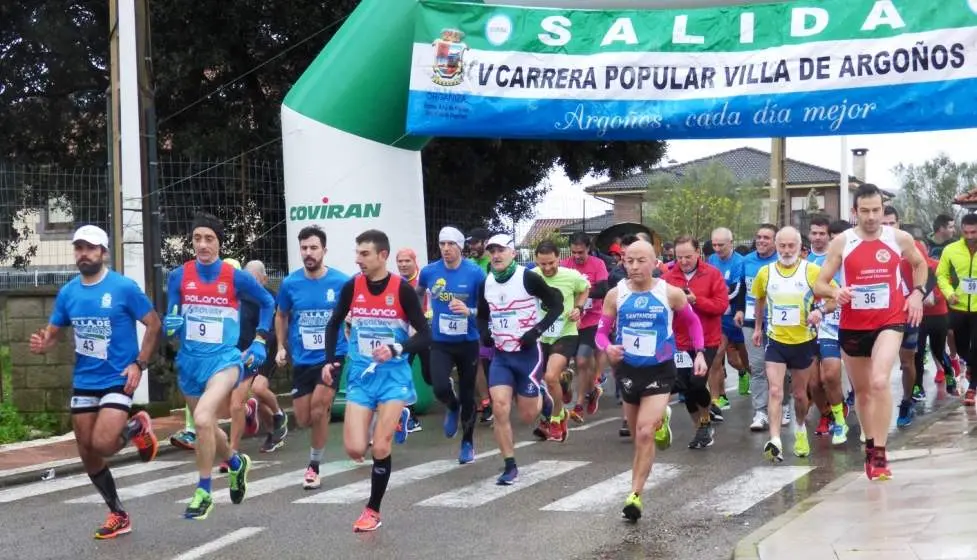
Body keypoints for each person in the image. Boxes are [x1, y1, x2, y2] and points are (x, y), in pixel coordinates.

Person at [30, 225, 160, 539]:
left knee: (103, 443)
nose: (83, 254)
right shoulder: (69, 292)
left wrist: (139, 364)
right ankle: (118, 513)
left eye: (90, 248)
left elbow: (153, 323)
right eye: (79, 248)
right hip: (85, 380)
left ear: (103, 252)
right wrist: (45, 342)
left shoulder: (123, 287)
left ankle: (136, 428)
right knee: (87, 451)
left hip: (117, 378)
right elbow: (54, 329)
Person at [164, 212, 276, 519]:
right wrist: (169, 325)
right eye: (197, 238)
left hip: (224, 361)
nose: (202, 244)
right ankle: (236, 464)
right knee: (209, 428)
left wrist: (260, 340)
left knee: (201, 418)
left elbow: (268, 302)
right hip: (189, 362)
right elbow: (170, 319)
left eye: (209, 239)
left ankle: (203, 492)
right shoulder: (178, 276)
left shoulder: (234, 277)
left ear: (219, 243)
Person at [815, 184, 927, 481]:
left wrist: (916, 293)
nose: (872, 216)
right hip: (853, 325)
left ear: (882, 208)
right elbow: (820, 284)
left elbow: (919, 264)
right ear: (855, 212)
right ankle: (869, 446)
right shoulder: (842, 242)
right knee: (863, 393)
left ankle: (880, 451)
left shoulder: (898, 238)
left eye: (876, 210)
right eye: (865, 211)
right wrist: (835, 292)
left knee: (879, 382)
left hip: (890, 320)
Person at [322, 229, 431, 532]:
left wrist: (397, 347)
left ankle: (372, 510)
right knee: (355, 450)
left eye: (365, 254)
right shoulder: (351, 287)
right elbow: (333, 324)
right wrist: (330, 359)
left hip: (393, 377)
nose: (358, 259)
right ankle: (397, 418)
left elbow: (426, 334)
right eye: (357, 253)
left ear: (383, 256)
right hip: (361, 375)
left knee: (380, 448)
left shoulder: (402, 290)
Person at [596, 240, 707, 521]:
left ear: (654, 262)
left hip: (660, 367)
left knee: (645, 432)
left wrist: (700, 354)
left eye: (640, 260)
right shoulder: (615, 295)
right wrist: (608, 347)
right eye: (629, 261)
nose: (634, 266)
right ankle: (662, 421)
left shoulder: (669, 293)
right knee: (638, 437)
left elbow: (693, 323)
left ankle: (635, 495)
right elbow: (601, 332)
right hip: (629, 369)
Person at [476, 233, 563, 485]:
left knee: (527, 416)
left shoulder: (528, 277)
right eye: (491, 250)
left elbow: (556, 304)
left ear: (513, 253)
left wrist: (536, 331)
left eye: (501, 250)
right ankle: (509, 465)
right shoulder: (487, 282)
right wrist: (485, 334)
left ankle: (544, 399)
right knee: (500, 407)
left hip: (527, 355)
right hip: (502, 356)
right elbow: (482, 315)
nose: (496, 255)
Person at [273, 226, 350, 489]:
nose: (308, 253)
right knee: (304, 418)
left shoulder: (341, 282)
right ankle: (323, 417)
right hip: (303, 359)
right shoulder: (290, 284)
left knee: (319, 407)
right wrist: (280, 347)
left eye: (313, 248)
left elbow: (355, 311)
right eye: (304, 248)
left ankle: (314, 466)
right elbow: (281, 315)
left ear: (324, 251)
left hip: (333, 354)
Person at [753, 227, 835, 460]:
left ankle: (799, 428)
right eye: (782, 246)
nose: (786, 251)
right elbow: (759, 299)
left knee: (800, 395)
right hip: (776, 341)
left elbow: (833, 298)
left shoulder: (812, 271)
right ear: (776, 247)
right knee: (776, 390)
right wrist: (758, 328)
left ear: (800, 247)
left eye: (791, 246)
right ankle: (775, 440)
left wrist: (819, 310)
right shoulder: (765, 272)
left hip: (803, 342)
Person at [416, 226, 486, 463]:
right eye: (442, 244)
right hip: (440, 341)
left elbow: (487, 309)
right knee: (438, 386)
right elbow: (417, 294)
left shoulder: (476, 274)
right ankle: (451, 405)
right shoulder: (429, 272)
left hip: (468, 342)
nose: (446, 249)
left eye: (450, 245)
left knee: (468, 394)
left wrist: (470, 311)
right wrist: (416, 319)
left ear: (460, 247)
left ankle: (467, 442)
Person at [662, 235, 728, 449]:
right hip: (680, 341)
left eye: (687, 256)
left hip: (707, 339)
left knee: (697, 382)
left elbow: (721, 306)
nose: (683, 261)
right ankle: (701, 428)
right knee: (685, 386)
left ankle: (707, 417)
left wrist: (695, 300)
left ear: (697, 253)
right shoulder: (669, 277)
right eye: (678, 257)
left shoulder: (712, 274)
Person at [531, 240, 590, 442]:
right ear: (536, 261)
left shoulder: (571, 276)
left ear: (559, 259)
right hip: (541, 334)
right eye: (542, 264)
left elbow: (585, 288)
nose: (547, 268)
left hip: (566, 331)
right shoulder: (531, 277)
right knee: (539, 380)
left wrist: (579, 308)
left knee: (550, 376)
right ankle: (562, 384)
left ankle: (557, 417)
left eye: (551, 263)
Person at [882, 206, 930, 425]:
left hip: (907, 311)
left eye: (892, 223)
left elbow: (927, 272)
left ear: (898, 224)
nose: (888, 228)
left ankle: (907, 401)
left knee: (907, 361)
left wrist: (918, 295)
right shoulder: (869, 245)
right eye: (885, 224)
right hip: (881, 313)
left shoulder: (911, 245)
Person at [807, 217, 850, 445]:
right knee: (815, 382)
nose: (832, 243)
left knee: (832, 376)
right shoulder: (813, 262)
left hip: (851, 323)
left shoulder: (853, 260)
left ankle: (842, 418)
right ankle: (828, 414)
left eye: (836, 239)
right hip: (823, 323)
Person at [561, 233, 610, 424]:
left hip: (591, 321)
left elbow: (604, 289)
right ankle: (571, 388)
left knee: (582, 360)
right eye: (574, 252)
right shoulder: (565, 265)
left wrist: (583, 292)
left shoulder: (598, 264)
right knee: (561, 365)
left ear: (589, 249)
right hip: (569, 321)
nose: (577, 256)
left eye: (581, 252)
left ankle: (579, 405)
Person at [737, 224, 780, 431]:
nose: (761, 241)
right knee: (757, 368)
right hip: (751, 321)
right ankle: (760, 411)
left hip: (779, 321)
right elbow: (739, 288)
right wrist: (738, 309)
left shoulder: (782, 261)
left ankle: (784, 406)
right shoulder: (747, 261)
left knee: (782, 369)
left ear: (775, 241)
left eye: (766, 238)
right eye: (759, 237)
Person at [706, 227, 751, 410]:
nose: (717, 248)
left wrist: (721, 293)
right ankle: (717, 399)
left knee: (742, 362)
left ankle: (745, 374)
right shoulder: (711, 260)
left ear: (731, 243)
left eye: (721, 245)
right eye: (714, 244)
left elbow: (739, 291)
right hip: (720, 319)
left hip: (739, 317)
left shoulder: (741, 262)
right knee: (716, 357)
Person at [936, 212, 977, 405]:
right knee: (960, 347)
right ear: (962, 230)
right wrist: (948, 292)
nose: (970, 236)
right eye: (966, 232)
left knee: (976, 346)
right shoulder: (951, 250)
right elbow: (941, 275)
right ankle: (970, 364)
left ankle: (972, 389)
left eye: (974, 232)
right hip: (958, 306)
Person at [396, 247, 429, 433]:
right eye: (400, 261)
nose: (403, 264)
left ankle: (445, 387)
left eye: (407, 261)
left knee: (429, 375)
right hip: (406, 338)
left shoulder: (424, 282)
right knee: (402, 372)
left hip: (425, 334)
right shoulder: (395, 283)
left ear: (415, 261)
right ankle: (409, 417)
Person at [467, 227, 494, 424]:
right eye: (469, 243)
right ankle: (486, 402)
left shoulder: (493, 263)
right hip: (473, 319)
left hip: (494, 318)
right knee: (476, 361)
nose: (472, 247)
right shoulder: (469, 263)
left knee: (490, 362)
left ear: (485, 242)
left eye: (475, 243)